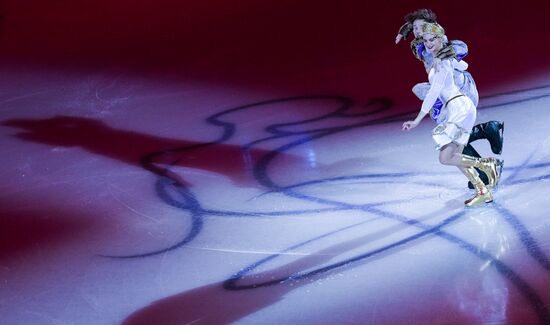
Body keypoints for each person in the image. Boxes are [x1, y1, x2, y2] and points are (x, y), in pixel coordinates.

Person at [396, 9, 504, 189]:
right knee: (455, 138)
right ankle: (486, 147)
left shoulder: (440, 42)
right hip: (444, 93)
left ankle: (485, 168)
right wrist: (406, 28)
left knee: (452, 139)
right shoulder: (420, 44)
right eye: (415, 28)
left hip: (458, 88)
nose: (418, 30)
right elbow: (419, 34)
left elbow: (461, 49)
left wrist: (448, 53)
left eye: (421, 27)